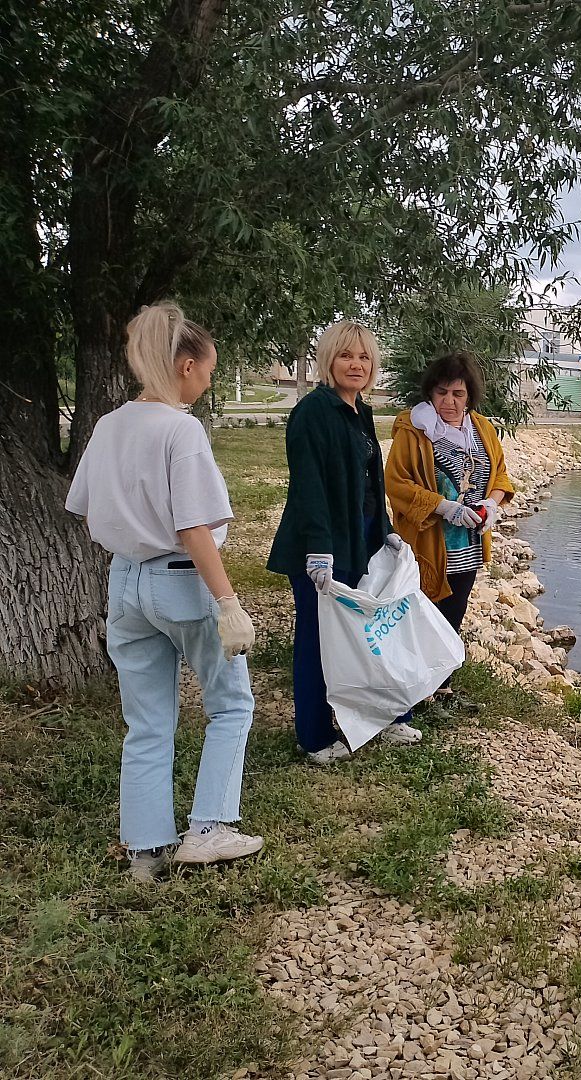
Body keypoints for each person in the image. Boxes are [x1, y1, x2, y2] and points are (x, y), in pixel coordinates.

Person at [66, 302, 263, 881]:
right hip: (181, 580)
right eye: (207, 370)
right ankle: (208, 828)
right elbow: (194, 527)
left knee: (148, 720)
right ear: (184, 366)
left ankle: (144, 850)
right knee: (231, 702)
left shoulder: (109, 424)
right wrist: (228, 601)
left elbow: (84, 509)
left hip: (123, 580)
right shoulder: (181, 429)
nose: (207, 381)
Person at [267, 320, 421, 763]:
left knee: (370, 634)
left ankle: (385, 716)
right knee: (318, 641)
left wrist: (387, 530)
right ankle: (314, 737)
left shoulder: (362, 411)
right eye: (345, 356)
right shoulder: (313, 411)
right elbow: (308, 487)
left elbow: (370, 481)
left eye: (364, 357)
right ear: (328, 361)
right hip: (322, 550)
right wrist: (319, 550)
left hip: (362, 541)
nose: (356, 364)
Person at [384, 352, 515, 675]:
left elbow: (499, 474)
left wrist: (492, 504)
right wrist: (442, 506)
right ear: (430, 392)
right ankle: (414, 685)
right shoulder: (413, 431)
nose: (449, 401)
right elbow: (396, 482)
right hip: (428, 545)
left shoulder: (482, 429)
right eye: (442, 392)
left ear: (469, 396)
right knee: (422, 616)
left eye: (458, 394)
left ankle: (441, 683)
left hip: (468, 547)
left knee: (453, 614)